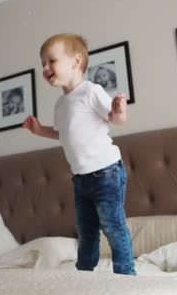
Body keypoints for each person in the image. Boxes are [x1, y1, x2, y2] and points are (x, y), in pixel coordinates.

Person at [23, 33, 135, 275]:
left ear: (75, 61)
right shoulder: (61, 104)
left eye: (50, 61)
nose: (45, 68)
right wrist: (39, 129)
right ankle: (84, 272)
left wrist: (119, 110)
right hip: (81, 179)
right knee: (86, 229)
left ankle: (127, 275)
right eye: (42, 63)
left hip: (107, 173)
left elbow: (116, 121)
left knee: (113, 226)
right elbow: (63, 134)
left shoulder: (91, 91)